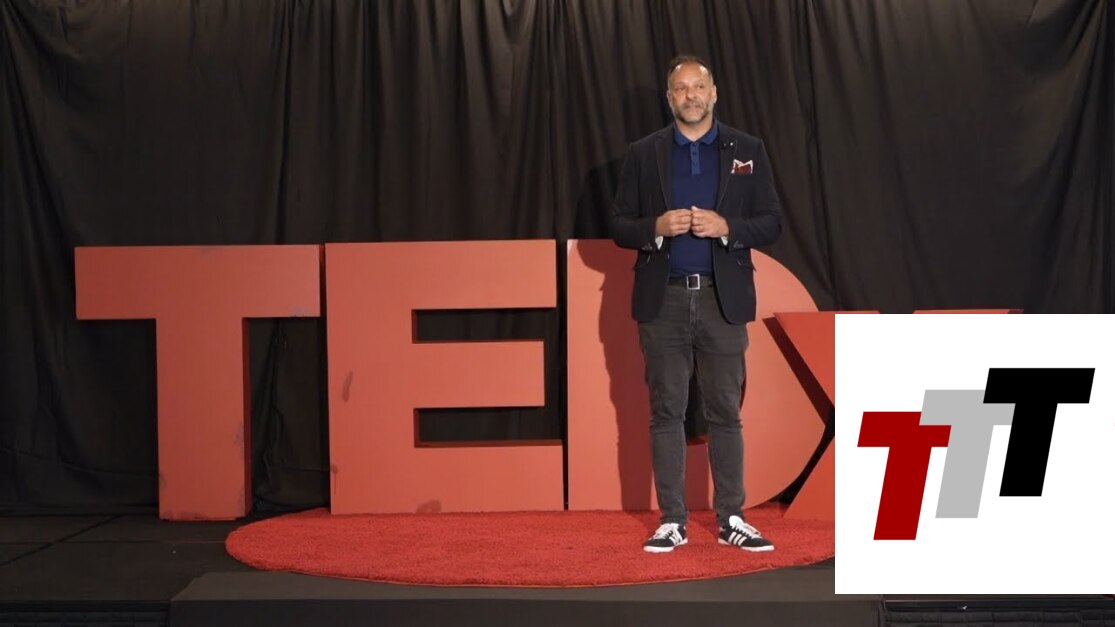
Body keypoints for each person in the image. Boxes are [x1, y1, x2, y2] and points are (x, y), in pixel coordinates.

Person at [609, 55, 782, 553]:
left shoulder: (747, 149)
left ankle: (732, 517)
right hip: (662, 299)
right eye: (680, 88)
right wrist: (654, 228)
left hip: (722, 300)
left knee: (725, 411)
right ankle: (672, 520)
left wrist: (728, 227)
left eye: (698, 87)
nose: (691, 95)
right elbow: (619, 223)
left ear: (714, 93)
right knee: (667, 411)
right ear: (669, 98)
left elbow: (771, 221)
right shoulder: (644, 153)